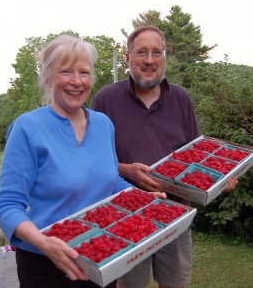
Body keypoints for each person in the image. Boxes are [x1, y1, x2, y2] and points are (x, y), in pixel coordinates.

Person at [0, 34, 166, 288]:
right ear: (49, 77)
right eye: (66, 72)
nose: (76, 82)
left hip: (101, 255)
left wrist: (141, 198)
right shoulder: (28, 128)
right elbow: (7, 204)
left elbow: (110, 181)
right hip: (46, 264)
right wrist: (44, 243)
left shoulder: (103, 124)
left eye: (84, 73)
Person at [91, 25, 237, 288]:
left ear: (164, 57)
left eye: (157, 52)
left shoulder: (180, 98)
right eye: (142, 52)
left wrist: (219, 179)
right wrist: (125, 170)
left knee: (175, 283)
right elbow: (92, 161)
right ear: (128, 58)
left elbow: (197, 154)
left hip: (176, 213)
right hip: (124, 216)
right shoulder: (106, 99)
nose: (149, 60)